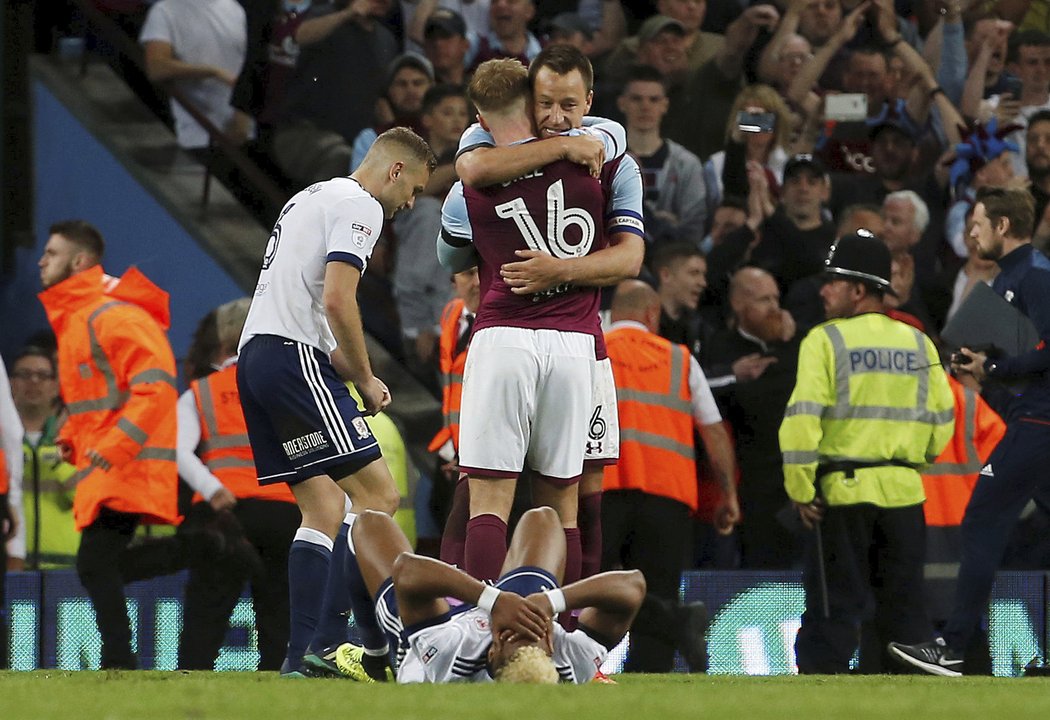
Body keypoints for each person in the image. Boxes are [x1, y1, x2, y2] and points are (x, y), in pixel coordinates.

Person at [236, 127, 436, 677]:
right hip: (291, 358)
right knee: (379, 494)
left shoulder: (310, 196)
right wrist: (368, 380)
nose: (410, 202)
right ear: (394, 171)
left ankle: (298, 657)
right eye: (414, 189)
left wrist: (353, 370)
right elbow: (337, 297)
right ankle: (339, 642)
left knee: (323, 507)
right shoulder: (361, 206)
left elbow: (308, 306)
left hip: (256, 359)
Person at [445, 46, 645, 585]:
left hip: (510, 338)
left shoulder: (489, 171)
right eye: (545, 105)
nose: (557, 117)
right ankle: (562, 631)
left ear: (591, 103)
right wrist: (569, 145)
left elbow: (631, 256)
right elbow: (474, 160)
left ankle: (480, 630)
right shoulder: (598, 162)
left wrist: (557, 269)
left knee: (488, 496)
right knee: (564, 507)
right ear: (528, 102)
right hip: (575, 347)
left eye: (569, 106)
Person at [889, 186, 1050, 676]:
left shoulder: (1035, 276)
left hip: (1040, 419)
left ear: (1003, 227)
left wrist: (995, 367)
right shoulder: (1020, 276)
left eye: (978, 224)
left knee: (981, 518)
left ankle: (955, 648)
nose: (970, 233)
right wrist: (985, 365)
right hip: (1035, 412)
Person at [779, 229, 955, 674]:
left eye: (833, 281)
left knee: (833, 612)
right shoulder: (919, 343)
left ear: (858, 290)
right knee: (905, 620)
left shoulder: (825, 339)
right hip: (905, 496)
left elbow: (802, 420)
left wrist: (801, 490)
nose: (824, 290)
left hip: (841, 497)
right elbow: (942, 422)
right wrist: (910, 461)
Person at [37, 220, 182, 669]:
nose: (41, 261)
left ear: (79, 262)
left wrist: (117, 445)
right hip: (111, 460)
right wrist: (68, 438)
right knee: (100, 564)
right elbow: (91, 400)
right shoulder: (82, 319)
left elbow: (156, 387)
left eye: (52, 253)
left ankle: (119, 658)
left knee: (95, 563)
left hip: (126, 462)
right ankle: (119, 656)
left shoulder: (113, 315)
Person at [338, 506, 645, 683]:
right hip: (508, 608)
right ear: (551, 642)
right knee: (543, 519)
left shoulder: (450, 656)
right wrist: (551, 601)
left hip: (430, 634)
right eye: (533, 630)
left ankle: (374, 659)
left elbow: (407, 571)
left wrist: (493, 600)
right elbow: (632, 587)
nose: (524, 625)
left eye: (512, 634)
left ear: (493, 651)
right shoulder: (569, 661)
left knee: (369, 523)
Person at [601, 280, 738, 672]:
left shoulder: (592, 351)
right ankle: (655, 668)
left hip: (604, 489)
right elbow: (713, 430)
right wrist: (728, 495)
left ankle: (591, 664)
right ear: (652, 314)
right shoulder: (680, 359)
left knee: (593, 585)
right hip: (669, 496)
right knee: (658, 586)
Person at [175, 298, 301, 671]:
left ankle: (190, 681)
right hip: (286, 515)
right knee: (278, 614)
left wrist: (213, 490)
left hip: (227, 516)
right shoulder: (290, 390)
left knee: (206, 613)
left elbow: (179, 453)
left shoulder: (201, 393)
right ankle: (281, 690)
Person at [704, 267, 801, 569]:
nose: (775, 308)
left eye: (776, 298)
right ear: (738, 305)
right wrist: (735, 375)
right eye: (763, 300)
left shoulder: (799, 346)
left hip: (796, 477)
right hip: (753, 481)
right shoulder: (720, 349)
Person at [617, 64, 707, 248]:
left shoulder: (687, 164)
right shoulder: (607, 160)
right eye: (636, 99)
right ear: (622, 103)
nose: (645, 106)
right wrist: (664, 221)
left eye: (654, 100)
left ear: (665, 105)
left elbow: (693, 230)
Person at [7, 346, 77, 571]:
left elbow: (86, 499)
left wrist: (58, 460)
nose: (33, 382)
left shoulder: (78, 436)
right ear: (10, 383)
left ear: (56, 386)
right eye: (25, 375)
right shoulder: (2, 441)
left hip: (67, 568)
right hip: (13, 567)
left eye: (43, 375)